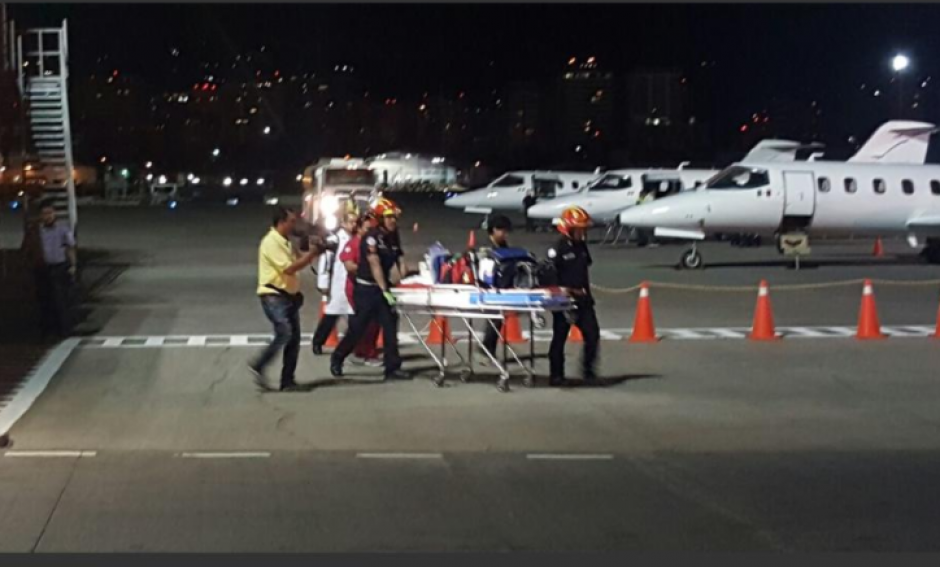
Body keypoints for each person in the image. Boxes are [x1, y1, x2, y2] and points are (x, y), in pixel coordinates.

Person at [330, 197, 409, 381]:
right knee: (357, 328)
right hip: (366, 290)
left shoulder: (392, 236)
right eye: (389, 218)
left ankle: (392, 368)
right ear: (380, 218)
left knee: (390, 325)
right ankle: (338, 357)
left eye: (394, 218)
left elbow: (399, 257)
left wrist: (403, 275)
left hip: (382, 288)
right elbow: (375, 265)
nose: (393, 221)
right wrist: (385, 290)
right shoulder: (372, 238)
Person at [249, 206, 322, 392]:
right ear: (281, 222)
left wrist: (316, 250)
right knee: (285, 333)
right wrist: (313, 254)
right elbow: (289, 268)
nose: (294, 225)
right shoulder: (271, 242)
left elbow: (300, 260)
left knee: (293, 339)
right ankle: (260, 363)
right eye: (291, 221)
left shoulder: (285, 241)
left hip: (288, 296)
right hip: (273, 295)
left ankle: (287, 381)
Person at [547, 206, 601, 387]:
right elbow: (550, 275)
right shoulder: (558, 248)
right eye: (580, 228)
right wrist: (564, 291)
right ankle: (556, 375)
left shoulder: (581, 246)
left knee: (592, 334)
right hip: (563, 300)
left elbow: (585, 269)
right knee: (559, 338)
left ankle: (588, 371)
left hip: (583, 299)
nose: (583, 232)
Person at [23, 201, 77, 339]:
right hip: (42, 268)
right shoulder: (35, 230)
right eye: (44, 214)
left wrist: (73, 265)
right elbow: (27, 249)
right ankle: (47, 330)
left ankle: (63, 330)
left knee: (60, 300)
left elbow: (70, 247)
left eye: (50, 213)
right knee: (44, 300)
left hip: (59, 267)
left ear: (54, 214)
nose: (47, 216)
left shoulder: (63, 228)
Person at [338, 210, 382, 366]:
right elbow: (349, 265)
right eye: (367, 228)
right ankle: (361, 352)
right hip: (356, 288)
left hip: (370, 287)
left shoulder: (370, 243)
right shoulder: (354, 243)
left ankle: (366, 350)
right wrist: (369, 270)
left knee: (373, 322)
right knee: (365, 322)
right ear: (359, 228)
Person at [311, 211, 358, 355]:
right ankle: (318, 342)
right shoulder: (335, 240)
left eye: (355, 222)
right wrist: (323, 283)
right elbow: (325, 263)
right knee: (331, 316)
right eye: (350, 221)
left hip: (352, 284)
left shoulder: (356, 239)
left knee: (355, 318)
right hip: (337, 284)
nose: (354, 225)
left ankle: (352, 345)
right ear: (343, 223)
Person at [481, 214, 513, 359]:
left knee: (497, 319)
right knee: (494, 318)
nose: (504, 234)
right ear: (492, 230)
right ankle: (487, 348)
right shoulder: (485, 248)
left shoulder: (504, 246)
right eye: (501, 230)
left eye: (506, 231)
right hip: (487, 287)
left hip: (502, 287)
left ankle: (489, 348)